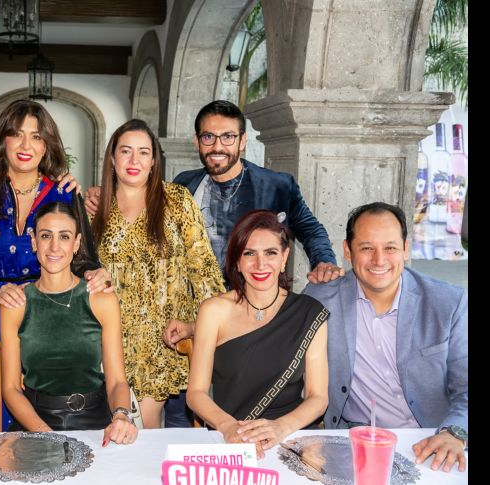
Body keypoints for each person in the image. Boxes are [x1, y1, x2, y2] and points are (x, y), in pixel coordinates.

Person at [88, 101, 342, 426]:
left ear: (242, 140)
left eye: (227, 137)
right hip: (190, 321)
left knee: (229, 407)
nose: (217, 146)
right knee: (183, 415)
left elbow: (309, 227)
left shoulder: (275, 184)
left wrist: (325, 262)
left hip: (248, 315)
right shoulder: (184, 185)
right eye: (208, 138)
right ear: (197, 142)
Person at [0, 99, 111, 431]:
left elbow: (84, 262)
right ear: (2, 140)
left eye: (36, 137)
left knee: (54, 430)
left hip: (53, 326)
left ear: (47, 145)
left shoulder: (65, 194)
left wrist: (97, 274)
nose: (26, 145)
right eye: (17, 134)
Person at [304, 202, 467, 473]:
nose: (379, 260)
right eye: (367, 248)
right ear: (347, 250)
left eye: (390, 248)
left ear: (405, 249)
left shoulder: (447, 302)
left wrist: (454, 433)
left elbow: (466, 386)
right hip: (356, 443)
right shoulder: (321, 298)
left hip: (432, 439)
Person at [90, 119, 226, 429]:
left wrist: (199, 327)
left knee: (142, 433)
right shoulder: (95, 208)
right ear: (112, 158)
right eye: (125, 152)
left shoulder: (176, 201)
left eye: (143, 152)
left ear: (154, 161)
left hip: (161, 344)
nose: (134, 161)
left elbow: (202, 269)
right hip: (105, 340)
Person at [186, 210, 329, 459]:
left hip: (289, 437)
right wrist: (228, 426)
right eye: (249, 254)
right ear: (236, 262)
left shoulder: (308, 312)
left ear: (284, 257)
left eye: (270, 253)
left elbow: (318, 398)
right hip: (230, 438)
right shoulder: (214, 311)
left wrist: (280, 427)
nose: (260, 264)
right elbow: (196, 393)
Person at [1, 202, 138, 445]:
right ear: (34, 241)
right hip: (35, 422)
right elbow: (11, 389)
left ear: (76, 244)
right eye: (46, 236)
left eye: (64, 237)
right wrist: (44, 433)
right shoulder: (17, 303)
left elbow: (117, 380)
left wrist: (121, 415)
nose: (54, 247)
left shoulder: (101, 299)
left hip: (96, 421)